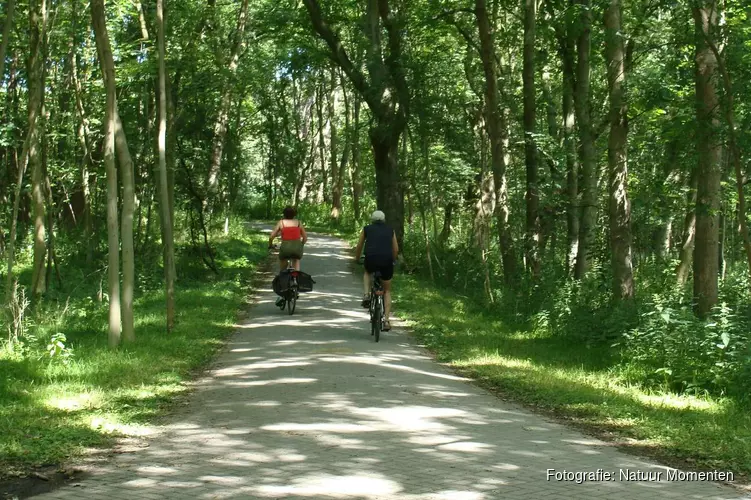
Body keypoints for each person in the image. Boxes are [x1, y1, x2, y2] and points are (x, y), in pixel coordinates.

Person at [354, 210, 399, 331]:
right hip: (386, 261)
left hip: (371, 259)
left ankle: (366, 295)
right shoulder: (390, 230)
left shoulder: (367, 229)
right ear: (384, 219)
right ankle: (386, 320)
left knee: (367, 272)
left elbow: (359, 246)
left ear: (372, 219)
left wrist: (357, 259)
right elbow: (395, 249)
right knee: (387, 291)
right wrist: (393, 260)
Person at [269, 207, 308, 307]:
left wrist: (270, 244)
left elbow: (272, 235)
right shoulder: (298, 223)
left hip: (285, 248)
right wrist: (301, 245)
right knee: (296, 259)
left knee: (283, 263)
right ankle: (296, 279)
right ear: (294, 214)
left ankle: (283, 283)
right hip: (297, 247)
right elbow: (305, 237)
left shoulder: (281, 222)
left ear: (284, 214)